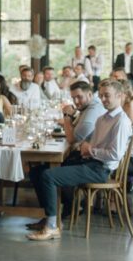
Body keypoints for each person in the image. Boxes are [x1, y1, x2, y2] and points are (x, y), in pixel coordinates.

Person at [27, 79, 132, 242]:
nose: (103, 99)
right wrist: (87, 148)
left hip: (100, 170)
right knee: (37, 171)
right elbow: (93, 145)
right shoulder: (102, 118)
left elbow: (115, 155)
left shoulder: (121, 121)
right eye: (101, 95)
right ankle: (51, 216)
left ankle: (52, 227)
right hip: (89, 162)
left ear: (119, 96)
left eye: (107, 96)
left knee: (49, 176)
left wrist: (90, 150)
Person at [27, 80, 105, 227]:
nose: (76, 101)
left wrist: (67, 117)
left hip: (92, 163)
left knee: (45, 173)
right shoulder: (89, 107)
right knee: (36, 171)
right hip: (87, 157)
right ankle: (61, 210)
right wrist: (74, 114)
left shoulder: (93, 111)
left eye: (79, 97)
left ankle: (55, 218)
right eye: (73, 98)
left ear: (90, 94)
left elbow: (72, 139)